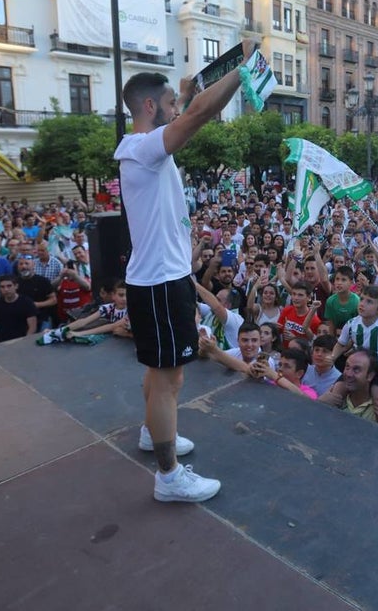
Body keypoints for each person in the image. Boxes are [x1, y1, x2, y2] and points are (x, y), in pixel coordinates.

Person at [114, 49, 253, 504]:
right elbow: (200, 113)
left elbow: (193, 108)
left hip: (161, 279)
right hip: (158, 282)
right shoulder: (141, 147)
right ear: (150, 107)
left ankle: (151, 431)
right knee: (169, 380)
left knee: (161, 374)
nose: (178, 110)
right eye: (169, 103)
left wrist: (190, 93)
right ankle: (169, 475)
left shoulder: (142, 149)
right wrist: (244, 68)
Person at [318, 348, 378, 426]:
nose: (348, 374)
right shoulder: (334, 394)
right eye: (347, 367)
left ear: (370, 376)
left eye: (356, 370)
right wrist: (319, 404)